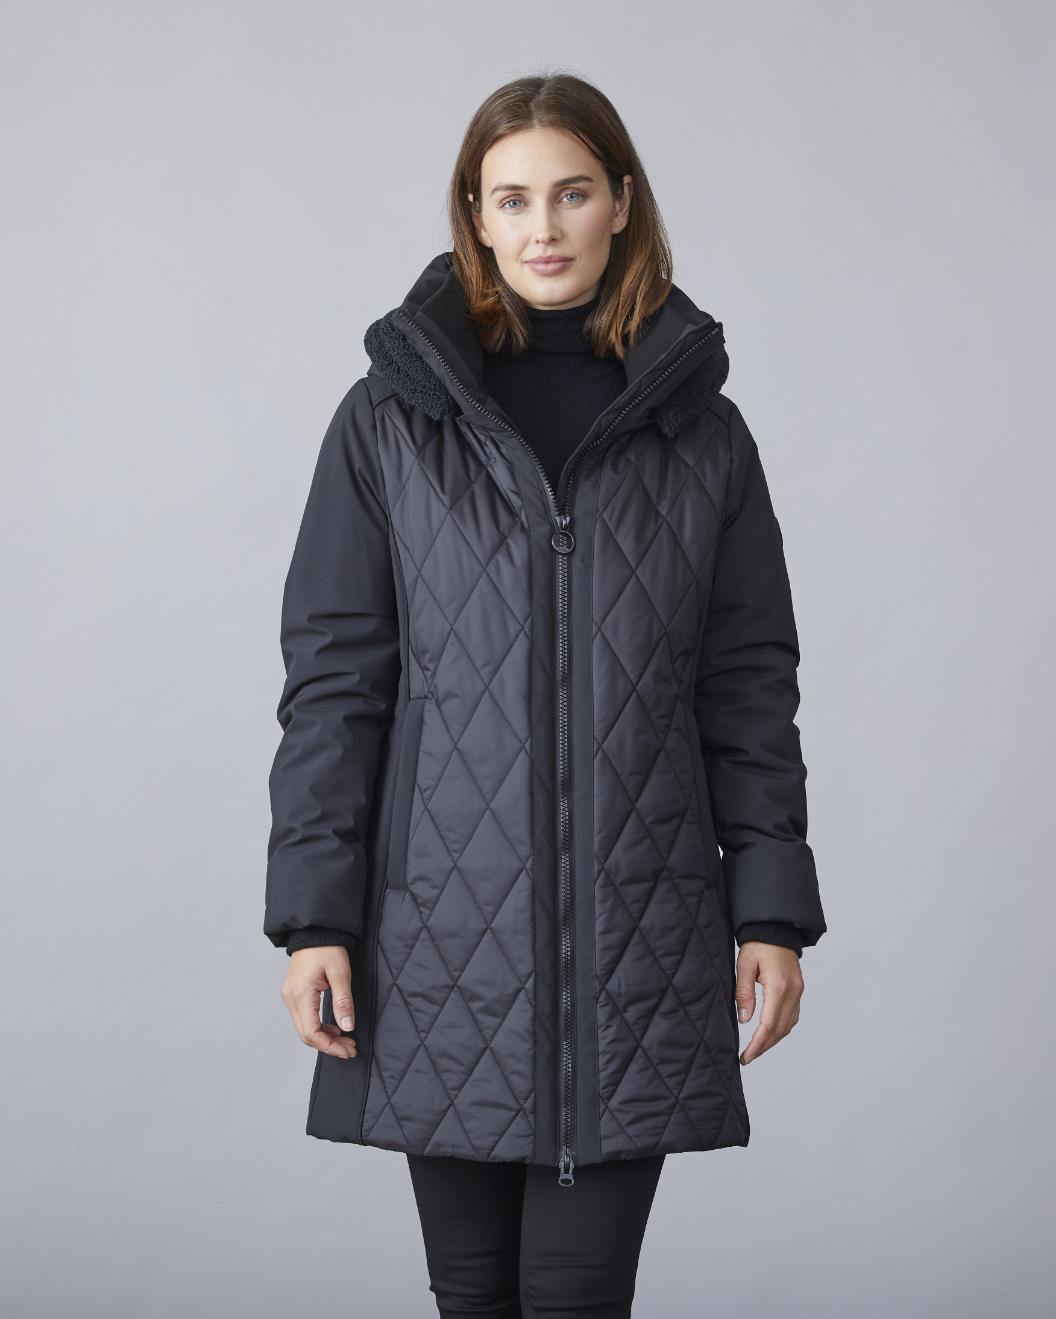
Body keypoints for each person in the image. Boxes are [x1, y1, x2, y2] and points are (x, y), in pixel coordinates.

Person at [263, 72, 828, 1319]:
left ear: (622, 202)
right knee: (473, 1294)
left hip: (640, 933)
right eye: (511, 199)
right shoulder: (390, 422)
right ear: (474, 215)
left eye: (571, 193)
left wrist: (772, 909)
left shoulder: (704, 434)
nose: (543, 227)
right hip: (438, 939)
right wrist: (312, 917)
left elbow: (748, 686)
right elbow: (336, 685)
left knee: (577, 1295)